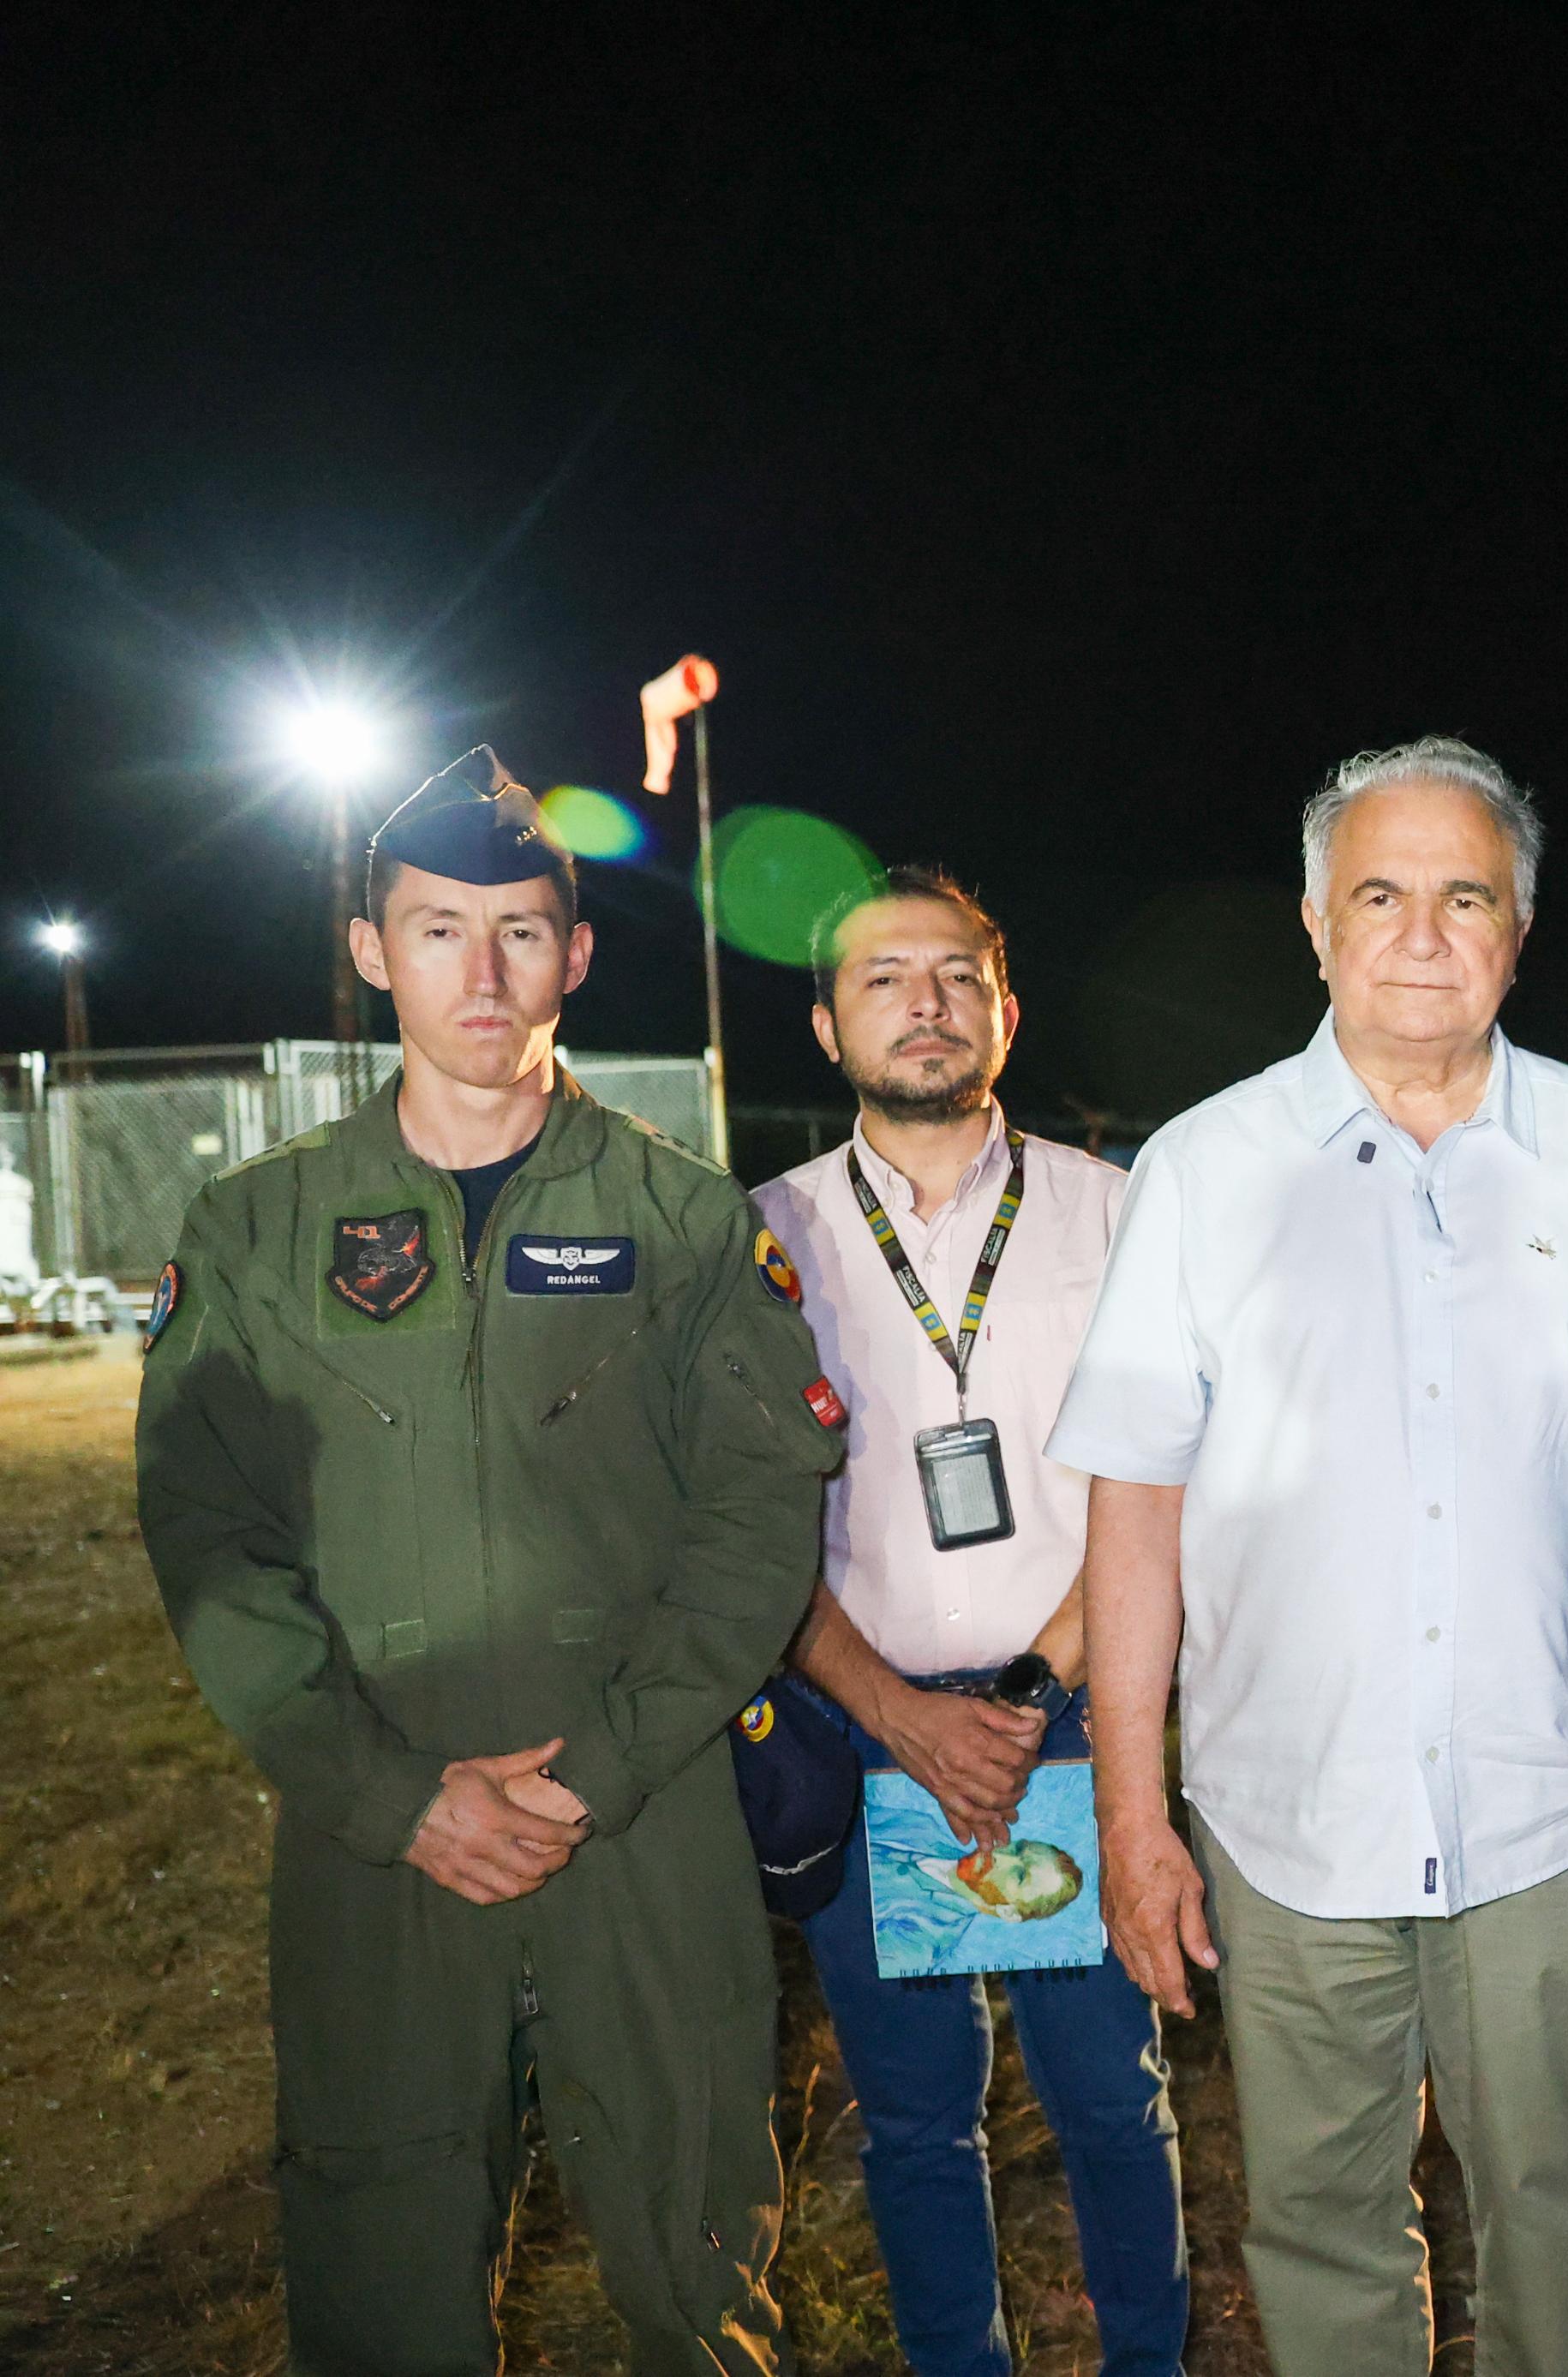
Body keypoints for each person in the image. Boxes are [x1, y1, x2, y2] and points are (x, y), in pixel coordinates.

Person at [135, 747, 845, 2375]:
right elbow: (212, 1534)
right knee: (383, 2271)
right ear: (373, 949)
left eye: (521, 929)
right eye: (438, 927)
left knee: (696, 2261)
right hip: (375, 1830)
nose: (482, 968)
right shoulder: (255, 1228)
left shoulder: (680, 1220)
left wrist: (594, 1770)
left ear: (575, 958)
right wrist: (389, 1794)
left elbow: (758, 1519)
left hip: (641, 1816)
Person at [1053, 737, 1568, 2377]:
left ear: (1521, 924)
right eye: (1381, 893)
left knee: (1560, 2202)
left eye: (1464, 895)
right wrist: (1132, 1812)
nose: (1423, 931)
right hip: (1286, 1817)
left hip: (1552, 1794)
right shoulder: (1203, 1170)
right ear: (1314, 919)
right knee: (1318, 2220)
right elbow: (1133, 1502)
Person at [751, 867, 1187, 2377]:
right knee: (917, 2116)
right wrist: (896, 1705)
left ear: (1007, 1007)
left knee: (1110, 2098)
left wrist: (1026, 1685)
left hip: (1066, 1716)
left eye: (955, 974)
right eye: (883, 977)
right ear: (825, 1022)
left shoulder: (1120, 1212)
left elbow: (1162, 1480)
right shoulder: (760, 1242)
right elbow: (740, 1530)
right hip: (861, 1729)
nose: (923, 1002)